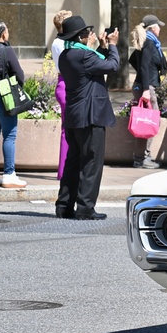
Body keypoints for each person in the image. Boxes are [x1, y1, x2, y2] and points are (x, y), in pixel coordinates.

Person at [55, 17, 119, 219]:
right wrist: (113, 46)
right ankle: (85, 208)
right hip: (91, 115)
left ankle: (64, 205)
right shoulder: (83, 55)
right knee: (91, 162)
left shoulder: (67, 55)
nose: (89, 35)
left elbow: (95, 65)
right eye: (86, 33)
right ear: (80, 37)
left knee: (73, 162)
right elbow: (112, 66)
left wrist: (101, 47)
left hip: (75, 116)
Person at [131, 14, 167, 169]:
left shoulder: (147, 42)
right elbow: (144, 66)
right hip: (147, 88)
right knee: (150, 122)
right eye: (158, 26)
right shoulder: (150, 43)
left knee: (146, 121)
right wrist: (146, 89)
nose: (160, 29)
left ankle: (141, 157)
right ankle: (142, 158)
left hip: (143, 85)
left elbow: (133, 60)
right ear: (153, 27)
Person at [0, 20, 27, 189]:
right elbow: (19, 74)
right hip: (4, 97)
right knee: (9, 135)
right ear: (3, 34)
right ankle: (9, 174)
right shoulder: (7, 50)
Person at [50, 10, 73, 181]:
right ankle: (64, 171)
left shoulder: (58, 42)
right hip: (66, 84)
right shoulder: (61, 43)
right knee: (67, 130)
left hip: (64, 83)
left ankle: (65, 170)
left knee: (67, 130)